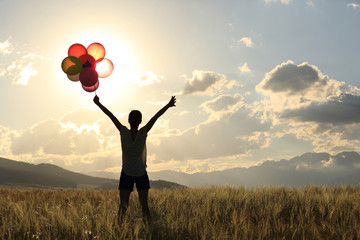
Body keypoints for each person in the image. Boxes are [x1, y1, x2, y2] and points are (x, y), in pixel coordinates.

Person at [93, 95, 176, 224]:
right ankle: (150, 230)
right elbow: (156, 117)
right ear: (140, 121)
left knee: (123, 206)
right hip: (141, 174)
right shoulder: (143, 132)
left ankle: (118, 230)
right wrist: (168, 105)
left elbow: (111, 116)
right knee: (144, 207)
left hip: (126, 173)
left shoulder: (123, 131)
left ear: (128, 120)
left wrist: (98, 104)